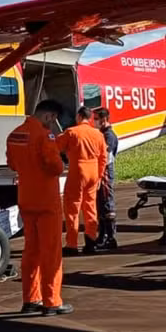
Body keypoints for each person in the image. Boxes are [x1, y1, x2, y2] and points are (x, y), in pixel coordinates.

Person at [5, 99, 73, 316]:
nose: (53, 124)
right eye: (53, 120)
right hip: (47, 201)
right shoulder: (44, 136)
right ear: (49, 116)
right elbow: (54, 166)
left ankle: (30, 299)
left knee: (31, 252)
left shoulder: (15, 134)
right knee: (51, 253)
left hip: (26, 199)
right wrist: (62, 164)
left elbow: (12, 164)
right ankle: (52, 301)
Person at [56, 106, 108, 255]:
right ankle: (91, 241)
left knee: (72, 208)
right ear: (90, 118)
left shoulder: (72, 132)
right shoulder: (98, 134)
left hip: (78, 171)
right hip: (93, 171)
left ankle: (72, 244)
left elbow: (56, 146)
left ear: (78, 117)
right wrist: (99, 175)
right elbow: (103, 158)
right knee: (90, 208)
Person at [93, 107, 119, 250]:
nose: (94, 122)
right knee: (101, 205)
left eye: (96, 119)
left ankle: (110, 237)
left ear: (103, 120)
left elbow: (105, 155)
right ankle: (102, 235)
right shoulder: (103, 134)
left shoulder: (109, 136)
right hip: (102, 171)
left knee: (107, 203)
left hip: (105, 172)